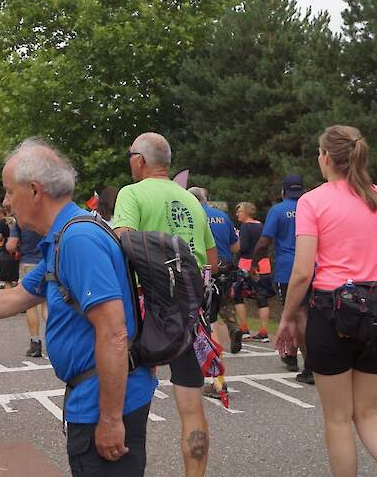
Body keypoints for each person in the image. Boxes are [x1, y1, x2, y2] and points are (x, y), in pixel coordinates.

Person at [0, 139, 157, 476]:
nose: (6, 202)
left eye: (10, 191)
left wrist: (111, 420)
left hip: (104, 402)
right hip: (93, 395)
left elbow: (114, 333)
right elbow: (16, 296)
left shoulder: (76, 240)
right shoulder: (64, 235)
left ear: (35, 192)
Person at [275, 125, 377, 477]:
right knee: (367, 411)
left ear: (327, 158)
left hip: (333, 314)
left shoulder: (312, 201)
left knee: (337, 419)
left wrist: (287, 318)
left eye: (319, 152)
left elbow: (302, 272)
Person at [114, 132, 215, 477]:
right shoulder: (191, 201)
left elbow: (121, 245)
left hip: (146, 309)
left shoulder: (132, 193)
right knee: (191, 406)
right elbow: (211, 260)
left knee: (132, 397)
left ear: (139, 160)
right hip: (188, 310)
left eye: (130, 155)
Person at [251, 175, 313, 383]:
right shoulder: (311, 207)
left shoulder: (277, 210)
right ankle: (292, 356)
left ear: (283, 192)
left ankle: (309, 365)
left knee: (297, 314)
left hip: (289, 270)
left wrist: (253, 263)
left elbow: (263, 243)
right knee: (304, 314)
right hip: (314, 267)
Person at [188, 187, 244, 356]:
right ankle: (234, 328)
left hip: (204, 267)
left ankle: (213, 350)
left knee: (207, 310)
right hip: (225, 266)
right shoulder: (223, 216)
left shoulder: (192, 215)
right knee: (225, 301)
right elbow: (236, 246)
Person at [233, 202, 271, 343]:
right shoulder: (261, 226)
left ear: (247, 212)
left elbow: (243, 247)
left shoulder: (245, 227)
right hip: (264, 265)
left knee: (238, 296)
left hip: (246, 266)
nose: (237, 214)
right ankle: (264, 331)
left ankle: (244, 329)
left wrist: (237, 238)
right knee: (262, 299)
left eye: (240, 211)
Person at [15, 216, 48, 357]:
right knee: (47, 304)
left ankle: (35, 343)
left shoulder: (22, 221)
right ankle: (54, 339)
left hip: (29, 262)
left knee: (30, 305)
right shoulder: (46, 217)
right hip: (46, 261)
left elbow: (11, 245)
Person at [0, 207, 19, 289]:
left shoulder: (2, 222)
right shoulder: (18, 221)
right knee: (15, 280)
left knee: (7, 281)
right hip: (17, 252)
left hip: (5, 252)